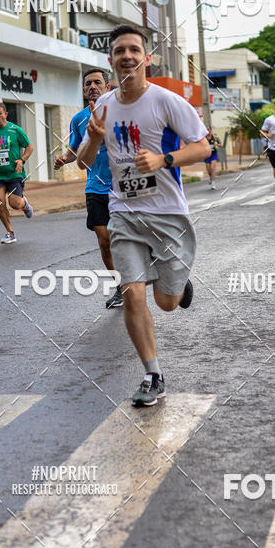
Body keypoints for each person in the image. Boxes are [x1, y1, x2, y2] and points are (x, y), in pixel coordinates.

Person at [77, 24, 210, 407]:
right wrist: (96, 139)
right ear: (111, 60)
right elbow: (85, 162)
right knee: (133, 293)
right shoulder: (103, 106)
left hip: (167, 214)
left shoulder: (167, 101)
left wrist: (162, 160)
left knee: (166, 302)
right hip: (124, 214)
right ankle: (153, 374)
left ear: (147, 58)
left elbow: (203, 147)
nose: (127, 56)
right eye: (120, 51)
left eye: (134, 49)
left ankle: (179, 285)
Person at [54, 68, 123, 309]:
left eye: (97, 82)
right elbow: (75, 150)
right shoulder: (79, 119)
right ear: (83, 90)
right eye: (87, 84)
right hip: (95, 187)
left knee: (131, 237)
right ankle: (121, 287)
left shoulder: (121, 110)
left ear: (107, 86)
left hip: (123, 186)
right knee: (104, 240)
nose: (92, 86)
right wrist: (64, 158)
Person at [0, 102, 34, 244]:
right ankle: (10, 232)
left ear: (5, 114)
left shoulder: (15, 130)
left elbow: (29, 147)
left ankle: (24, 204)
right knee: (0, 203)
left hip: (15, 174)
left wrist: (22, 160)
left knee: (14, 203)